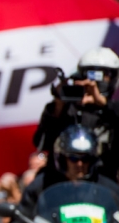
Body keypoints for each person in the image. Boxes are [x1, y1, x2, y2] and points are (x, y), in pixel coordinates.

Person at [7, 124, 119, 223]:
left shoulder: (109, 189)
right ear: (62, 158)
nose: (80, 164)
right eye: (73, 158)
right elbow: (22, 217)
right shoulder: (42, 186)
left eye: (85, 158)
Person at [33, 47, 119, 181]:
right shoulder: (65, 110)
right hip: (61, 183)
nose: (95, 83)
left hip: (101, 185)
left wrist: (103, 104)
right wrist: (59, 104)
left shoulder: (113, 111)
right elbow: (41, 143)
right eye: (89, 75)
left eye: (103, 76)